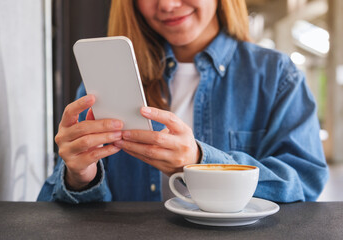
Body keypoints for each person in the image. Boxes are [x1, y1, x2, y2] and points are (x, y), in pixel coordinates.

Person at [38, 0, 329, 203]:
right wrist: (80, 177)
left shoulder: (276, 76)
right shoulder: (105, 80)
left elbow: (304, 183)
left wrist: (201, 162)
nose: (166, 4)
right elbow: (51, 203)